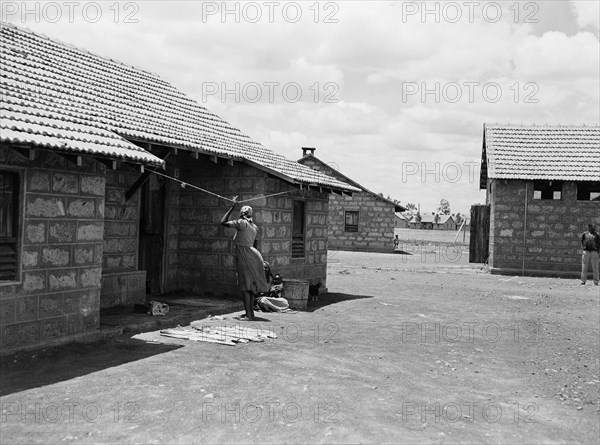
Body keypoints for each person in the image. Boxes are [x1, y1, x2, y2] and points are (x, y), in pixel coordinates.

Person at [220, 198, 269, 320]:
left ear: (242, 214)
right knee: (250, 286)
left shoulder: (242, 223)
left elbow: (223, 222)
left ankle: (248, 315)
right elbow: (254, 244)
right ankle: (250, 314)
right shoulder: (254, 226)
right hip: (253, 255)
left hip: (244, 255)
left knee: (245, 286)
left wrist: (232, 208)